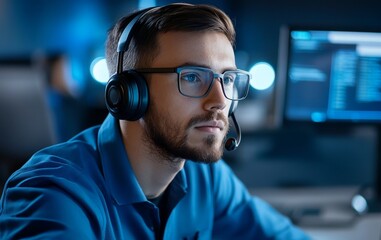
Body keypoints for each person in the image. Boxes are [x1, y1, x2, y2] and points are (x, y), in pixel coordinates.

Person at [0, 3, 310, 239]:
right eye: (191, 77)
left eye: (227, 79)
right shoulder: (55, 193)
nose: (220, 101)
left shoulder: (206, 178)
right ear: (129, 93)